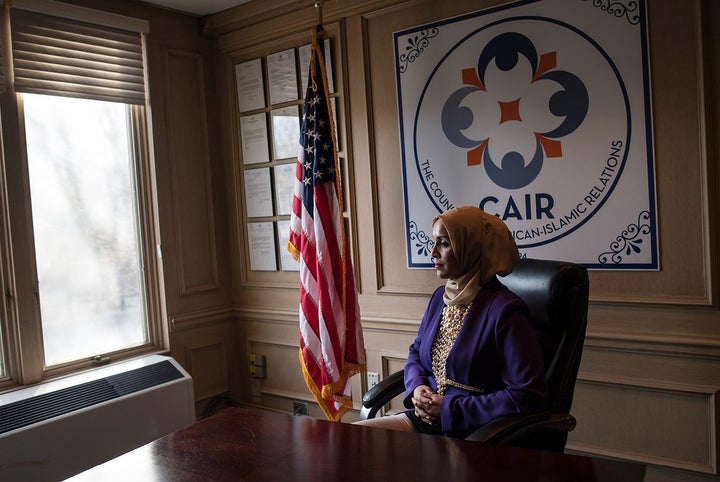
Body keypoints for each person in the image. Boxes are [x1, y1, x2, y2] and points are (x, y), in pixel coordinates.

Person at [354, 205, 548, 438]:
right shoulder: (440, 297)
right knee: (345, 443)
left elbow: (527, 395)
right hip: (424, 421)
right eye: (434, 241)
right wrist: (417, 387)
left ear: (472, 249)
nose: (433, 252)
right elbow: (416, 352)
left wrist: (447, 409)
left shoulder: (507, 311)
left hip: (479, 434)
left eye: (444, 243)